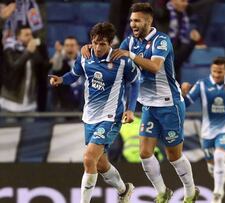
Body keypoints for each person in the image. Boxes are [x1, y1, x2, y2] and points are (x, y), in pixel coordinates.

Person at [81, 3, 199, 203]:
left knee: (173, 155)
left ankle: (190, 191)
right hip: (148, 106)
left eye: (137, 21)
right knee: (145, 153)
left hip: (169, 104)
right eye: (131, 21)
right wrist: (91, 48)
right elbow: (113, 56)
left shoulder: (161, 41)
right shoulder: (129, 42)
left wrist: (131, 55)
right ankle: (163, 192)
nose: (133, 24)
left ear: (149, 21)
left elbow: (154, 66)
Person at [49, 22, 139, 203]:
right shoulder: (85, 56)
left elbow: (135, 82)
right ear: (91, 41)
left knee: (89, 158)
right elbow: (74, 75)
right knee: (100, 163)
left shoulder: (122, 61)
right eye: (95, 43)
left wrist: (130, 108)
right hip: (89, 117)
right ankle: (124, 189)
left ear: (111, 44)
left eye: (103, 44)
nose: (98, 47)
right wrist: (61, 79)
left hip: (111, 117)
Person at [181, 57, 225, 203]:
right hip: (207, 131)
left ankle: (217, 194)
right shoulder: (202, 84)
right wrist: (183, 93)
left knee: (220, 156)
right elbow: (187, 103)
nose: (216, 74)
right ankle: (215, 173)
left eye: (220, 72)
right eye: (214, 71)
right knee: (211, 165)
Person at [151, 0, 205, 81]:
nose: (186, 4)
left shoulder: (186, 16)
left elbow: (180, 59)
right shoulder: (162, 15)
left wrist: (192, 42)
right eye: (182, 1)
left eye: (187, 1)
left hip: (175, 68)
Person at [0, 25, 46, 113]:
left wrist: (35, 51)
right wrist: (28, 52)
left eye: (31, 35)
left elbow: (41, 68)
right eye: (26, 35)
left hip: (29, 104)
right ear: (18, 37)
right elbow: (14, 67)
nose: (30, 37)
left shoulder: (34, 51)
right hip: (11, 103)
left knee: (30, 127)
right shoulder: (9, 50)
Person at [50, 36, 83, 111]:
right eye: (67, 45)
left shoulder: (84, 61)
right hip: (63, 104)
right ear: (64, 47)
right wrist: (58, 54)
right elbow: (56, 68)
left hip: (82, 102)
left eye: (72, 45)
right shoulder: (59, 60)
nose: (69, 48)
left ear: (77, 47)